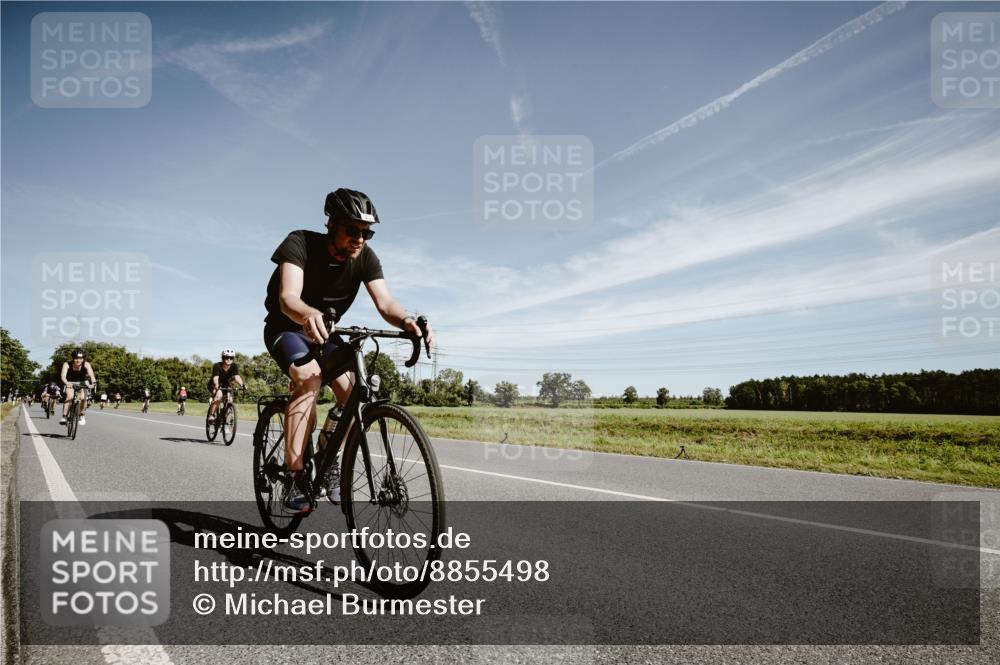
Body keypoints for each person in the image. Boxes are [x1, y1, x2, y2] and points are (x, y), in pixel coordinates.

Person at [263, 188, 434, 514]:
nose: (360, 238)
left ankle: (328, 460)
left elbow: (385, 304)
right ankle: (295, 475)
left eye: (366, 232)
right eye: (352, 230)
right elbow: (288, 298)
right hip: (286, 327)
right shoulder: (300, 243)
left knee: (357, 391)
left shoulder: (365, 257)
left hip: (326, 334)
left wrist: (407, 321)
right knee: (309, 377)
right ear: (331, 224)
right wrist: (308, 313)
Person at [60, 348, 97, 425]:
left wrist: (93, 383)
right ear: (73, 358)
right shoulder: (67, 364)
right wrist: (67, 383)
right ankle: (64, 416)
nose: (78, 360)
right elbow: (63, 376)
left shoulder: (86, 364)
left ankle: (82, 415)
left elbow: (91, 375)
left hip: (83, 382)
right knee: (69, 397)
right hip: (70, 382)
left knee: (83, 398)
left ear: (83, 359)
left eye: (80, 358)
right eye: (76, 358)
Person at [207, 348, 246, 423]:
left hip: (226, 384)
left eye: (231, 358)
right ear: (222, 358)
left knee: (230, 400)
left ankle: (224, 420)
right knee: (218, 395)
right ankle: (212, 415)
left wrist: (242, 384)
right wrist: (217, 386)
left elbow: (236, 377)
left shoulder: (234, 366)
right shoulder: (217, 365)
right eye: (226, 357)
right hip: (215, 384)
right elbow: (215, 378)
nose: (229, 359)